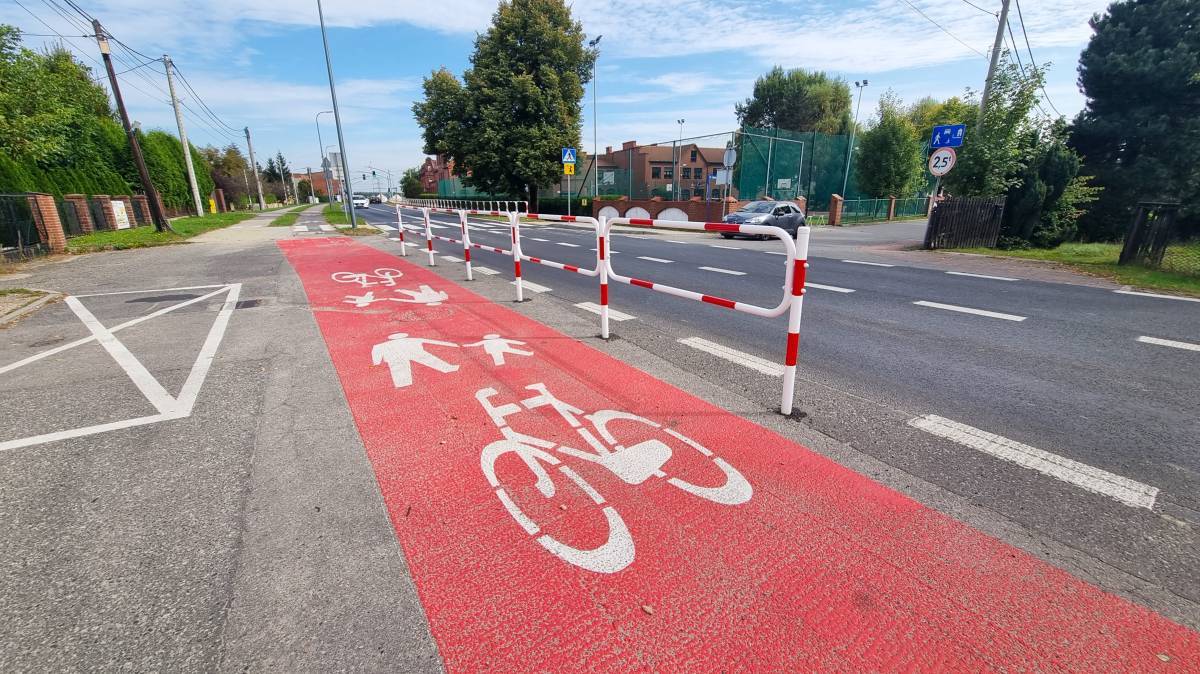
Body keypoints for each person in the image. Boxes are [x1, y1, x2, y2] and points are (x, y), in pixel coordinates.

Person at [371, 332, 459, 388]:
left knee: (399, 369)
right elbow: (432, 341)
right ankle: (448, 368)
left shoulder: (380, 345)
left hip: (395, 357)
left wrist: (377, 362)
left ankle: (402, 383)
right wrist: (454, 345)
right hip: (415, 353)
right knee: (431, 360)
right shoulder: (412, 339)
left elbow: (375, 352)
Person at [464, 334, 534, 366]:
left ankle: (528, 353)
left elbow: (476, 344)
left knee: (513, 351)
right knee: (513, 351)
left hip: (498, 349)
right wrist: (521, 343)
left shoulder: (486, 341)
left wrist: (521, 343)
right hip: (497, 350)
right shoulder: (487, 341)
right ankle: (500, 365)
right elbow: (476, 344)